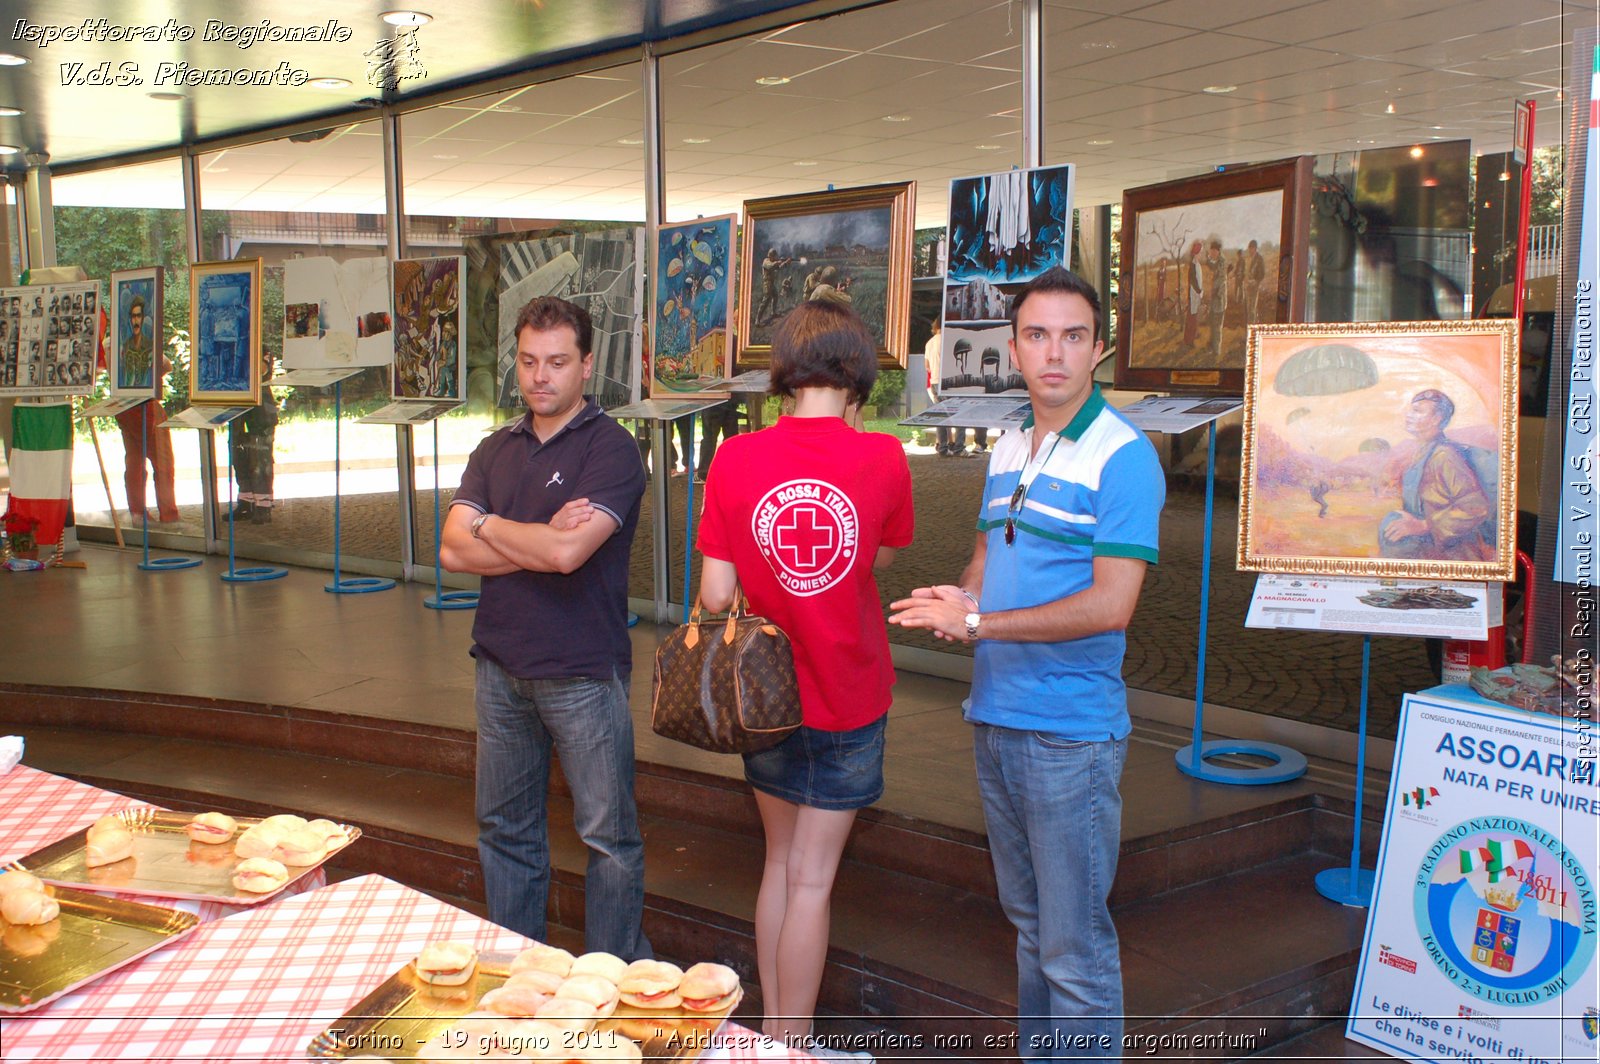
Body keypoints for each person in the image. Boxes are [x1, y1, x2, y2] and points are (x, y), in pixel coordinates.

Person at [888, 267, 1164, 1060]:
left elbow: (1112, 604)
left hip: (1068, 735)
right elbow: (987, 548)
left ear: (1097, 349)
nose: (1054, 353)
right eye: (1038, 335)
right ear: (1013, 348)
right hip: (997, 716)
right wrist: (964, 593)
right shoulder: (1012, 440)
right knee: (1031, 930)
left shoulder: (1123, 455)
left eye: (1073, 336)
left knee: (1073, 950)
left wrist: (979, 621)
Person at [695, 300, 913, 1048]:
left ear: (783, 368)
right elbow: (879, 558)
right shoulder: (883, 458)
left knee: (780, 864)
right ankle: (795, 1042)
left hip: (764, 697)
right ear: (857, 371)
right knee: (813, 880)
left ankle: (768, 1039)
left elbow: (716, 596)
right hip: (849, 694)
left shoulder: (735, 457)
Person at [440, 295, 651, 959]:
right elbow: (450, 550)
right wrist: (529, 535)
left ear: (586, 365)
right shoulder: (494, 447)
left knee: (608, 839)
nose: (540, 376)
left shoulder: (612, 452)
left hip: (583, 673)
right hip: (498, 669)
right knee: (505, 830)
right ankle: (518, 977)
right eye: (529, 361)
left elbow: (567, 555)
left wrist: (488, 526)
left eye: (557, 362)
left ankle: (610, 982)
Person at [1379, 389, 1494, 561]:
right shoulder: (1423, 452)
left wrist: (1424, 525)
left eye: (1417, 411)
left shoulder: (1444, 456)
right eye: (1411, 410)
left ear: (1436, 419)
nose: (1409, 415)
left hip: (1453, 558)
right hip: (1429, 553)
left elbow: (1475, 507)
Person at [227, 351, 279, 524]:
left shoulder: (258, 343)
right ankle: (246, 502)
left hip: (260, 409)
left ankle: (263, 506)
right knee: (238, 455)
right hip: (238, 404)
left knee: (260, 458)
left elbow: (261, 370)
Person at [120, 295, 154, 388]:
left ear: (143, 318)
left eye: (138, 316)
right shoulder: (126, 346)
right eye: (133, 316)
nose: (136, 321)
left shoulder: (150, 346)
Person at [1205, 239, 1228, 359]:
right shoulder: (1218, 261)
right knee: (1213, 324)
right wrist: (1208, 258)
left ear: (1217, 251)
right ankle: (1213, 347)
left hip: (1219, 299)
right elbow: (1212, 266)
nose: (1211, 253)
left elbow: (1222, 280)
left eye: (1212, 251)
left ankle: (1217, 351)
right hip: (1215, 299)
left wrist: (1215, 291)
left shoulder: (1222, 262)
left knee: (1217, 325)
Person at [1184, 240, 1203, 348]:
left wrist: (1201, 290)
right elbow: (1193, 281)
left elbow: (1199, 280)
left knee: (1194, 317)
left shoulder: (1197, 264)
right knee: (1191, 318)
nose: (1201, 255)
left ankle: (1192, 336)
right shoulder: (1193, 265)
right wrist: (1199, 290)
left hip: (1197, 295)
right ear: (1196, 253)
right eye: (1200, 253)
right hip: (1193, 295)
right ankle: (1188, 340)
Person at [1243, 240, 1266, 326]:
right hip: (1247, 286)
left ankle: (1251, 331)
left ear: (1255, 248)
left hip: (1254, 287)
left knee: (1252, 309)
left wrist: (1255, 281)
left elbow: (1262, 274)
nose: (1250, 250)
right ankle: (1250, 330)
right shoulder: (1249, 258)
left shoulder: (1259, 259)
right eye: (1249, 248)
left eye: (1251, 248)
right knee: (1248, 310)